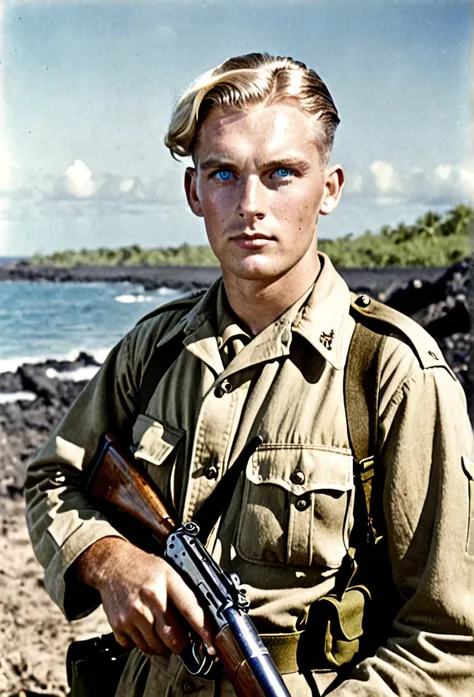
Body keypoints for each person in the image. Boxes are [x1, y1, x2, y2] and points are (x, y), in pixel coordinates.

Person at [25, 53, 474, 697]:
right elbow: (54, 477)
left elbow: (451, 639)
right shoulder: (154, 349)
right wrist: (110, 561)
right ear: (194, 192)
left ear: (330, 188)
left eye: (282, 173)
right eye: (224, 173)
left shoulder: (392, 373)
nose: (250, 204)